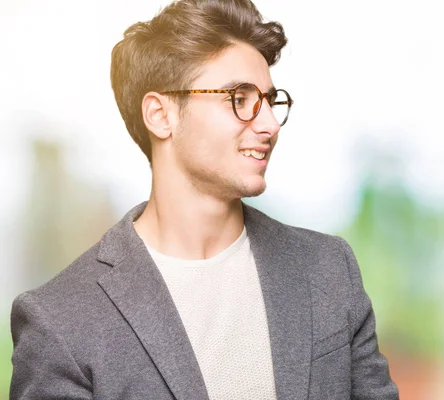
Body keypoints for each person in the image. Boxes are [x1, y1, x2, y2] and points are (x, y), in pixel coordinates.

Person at [10, 0, 399, 399]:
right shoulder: (62, 320)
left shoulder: (328, 271)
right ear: (161, 115)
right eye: (239, 98)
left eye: (269, 100)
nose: (267, 125)